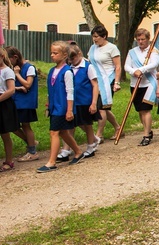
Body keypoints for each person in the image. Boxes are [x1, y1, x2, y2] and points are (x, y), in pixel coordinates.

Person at [37, 41, 85, 173]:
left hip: (63, 107)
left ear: (64, 55)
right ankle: (78, 152)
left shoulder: (67, 72)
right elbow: (50, 90)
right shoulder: (52, 70)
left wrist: (69, 110)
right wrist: (48, 104)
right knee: (63, 132)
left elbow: (70, 92)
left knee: (54, 132)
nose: (52, 55)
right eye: (51, 53)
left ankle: (51, 162)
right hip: (54, 106)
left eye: (55, 53)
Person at [88, 25, 121, 143]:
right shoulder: (93, 48)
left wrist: (116, 82)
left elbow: (117, 66)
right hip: (96, 80)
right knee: (104, 108)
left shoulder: (112, 48)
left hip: (108, 80)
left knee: (101, 107)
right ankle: (118, 128)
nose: (95, 39)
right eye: (93, 37)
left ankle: (99, 135)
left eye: (97, 37)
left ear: (104, 36)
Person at [67, 42, 100, 159]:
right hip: (74, 101)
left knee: (87, 124)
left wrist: (94, 103)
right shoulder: (69, 69)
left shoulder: (87, 66)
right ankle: (67, 148)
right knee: (74, 124)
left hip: (85, 100)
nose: (72, 60)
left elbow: (95, 85)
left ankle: (91, 146)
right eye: (69, 58)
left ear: (79, 54)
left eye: (74, 57)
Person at [6, 46, 39, 162]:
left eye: (8, 60)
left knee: (25, 125)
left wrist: (17, 74)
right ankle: (32, 143)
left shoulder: (29, 68)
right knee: (12, 126)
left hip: (26, 102)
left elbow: (28, 85)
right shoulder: (15, 67)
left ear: (15, 57)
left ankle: (32, 151)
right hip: (17, 101)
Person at [0, 47, 19, 172]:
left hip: (3, 103)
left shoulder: (7, 71)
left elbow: (11, 89)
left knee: (5, 133)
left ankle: (9, 160)